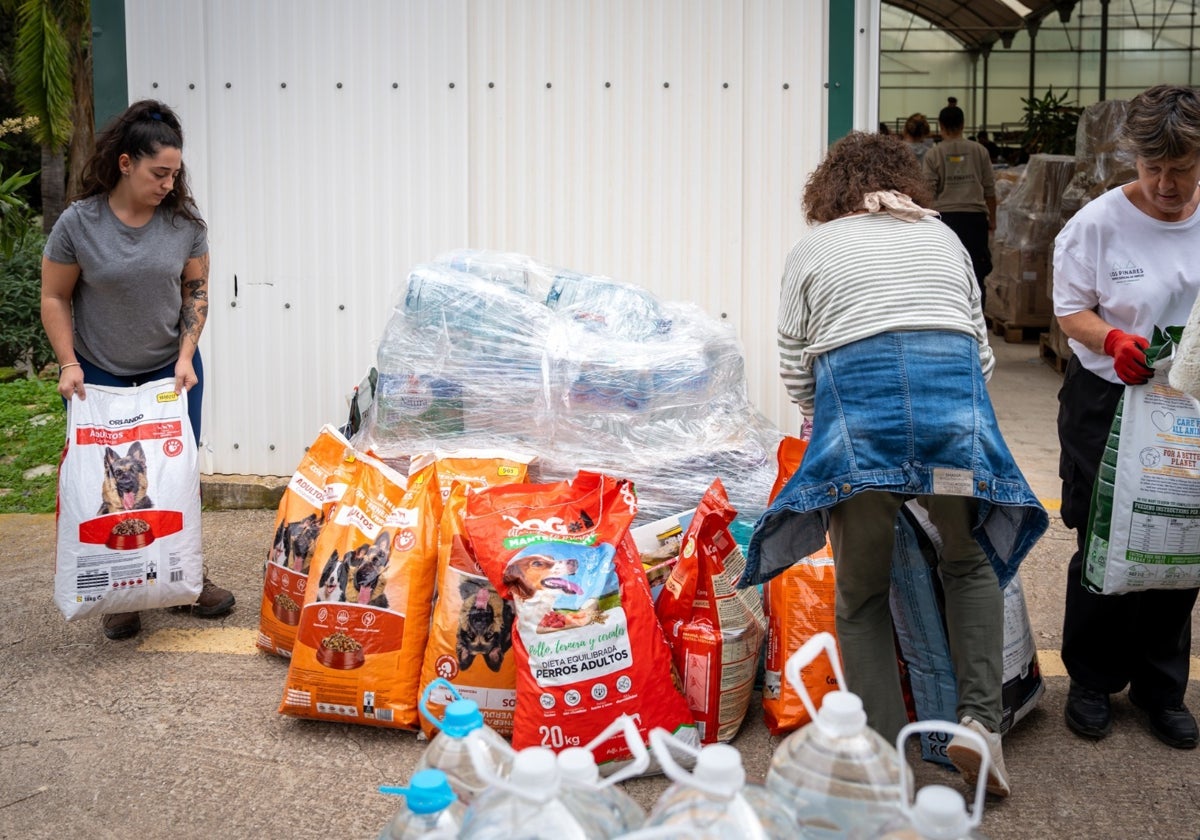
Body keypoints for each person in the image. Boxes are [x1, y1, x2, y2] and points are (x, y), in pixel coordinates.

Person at [747, 131, 1048, 798]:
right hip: (952, 420)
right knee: (969, 565)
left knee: (860, 596)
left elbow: (797, 363)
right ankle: (979, 728)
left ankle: (886, 760)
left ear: (827, 194)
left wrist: (829, 420)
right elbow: (982, 353)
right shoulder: (943, 238)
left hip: (863, 425)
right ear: (907, 181)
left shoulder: (812, 248)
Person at [40, 99, 235, 641]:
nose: (170, 183)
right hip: (96, 374)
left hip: (169, 374)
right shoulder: (79, 223)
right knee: (104, 487)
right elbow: (54, 296)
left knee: (172, 480)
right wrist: (67, 363)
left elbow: (195, 290)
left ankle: (182, 578)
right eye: (159, 172)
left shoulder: (183, 226)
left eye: (175, 173)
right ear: (125, 163)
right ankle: (117, 589)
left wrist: (186, 355)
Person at [1053, 84, 1200, 751]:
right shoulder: (1097, 224)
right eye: (1153, 168)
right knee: (1106, 539)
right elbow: (1068, 310)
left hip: (1188, 407)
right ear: (1134, 160)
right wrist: (1111, 339)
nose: (1167, 183)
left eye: (1184, 169)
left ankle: (1161, 688)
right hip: (1109, 402)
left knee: (1178, 539)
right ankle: (1091, 679)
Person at [923, 104, 996, 308]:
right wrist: (994, 219)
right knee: (976, 270)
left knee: (945, 269)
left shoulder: (934, 154)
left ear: (940, 126)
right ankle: (976, 315)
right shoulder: (979, 151)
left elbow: (927, 191)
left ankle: (948, 312)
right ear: (963, 124)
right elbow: (990, 189)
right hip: (974, 218)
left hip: (945, 219)